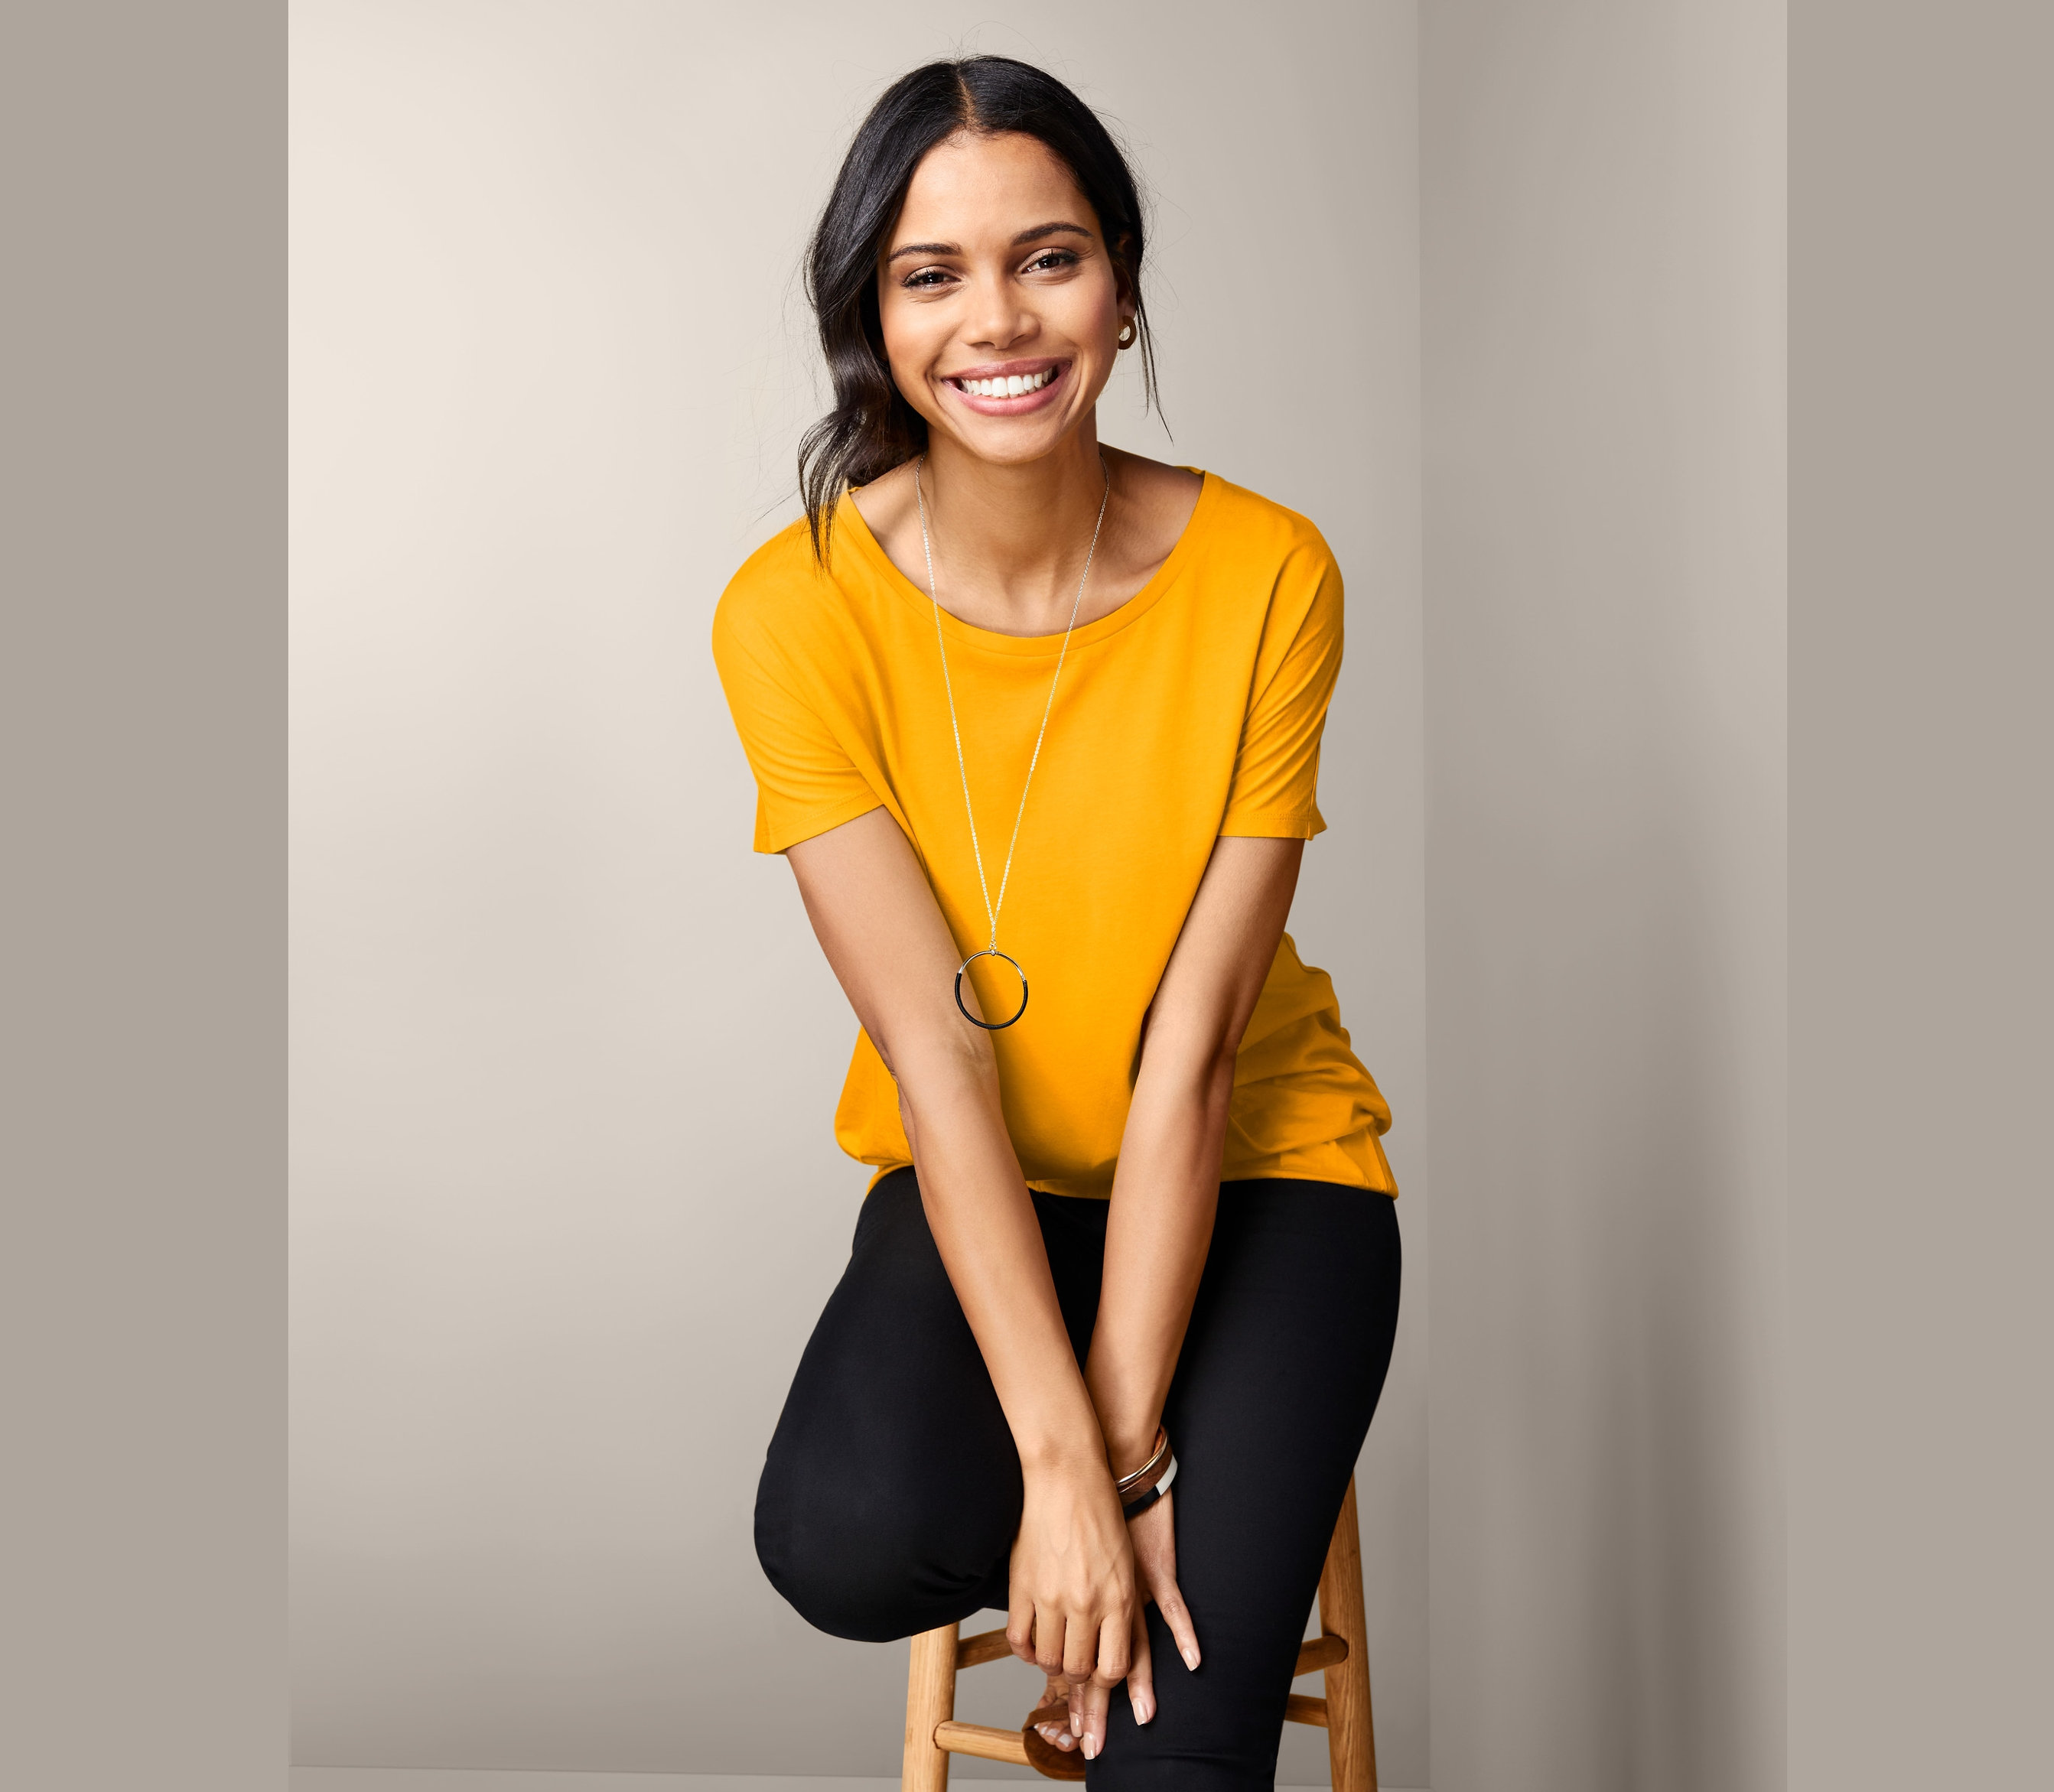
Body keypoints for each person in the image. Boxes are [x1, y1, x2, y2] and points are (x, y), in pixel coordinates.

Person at [712, 56, 1400, 1790]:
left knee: (1174, 1749)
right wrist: (1067, 1486)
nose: (997, 319)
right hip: (992, 1184)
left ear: (1122, 281)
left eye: (1050, 256)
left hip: (1258, 1178)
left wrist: (1128, 1468)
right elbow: (940, 1062)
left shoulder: (1268, 575)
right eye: (930, 273)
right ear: (870, 312)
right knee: (844, 1535)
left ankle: (1172, 1603)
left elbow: (1194, 1052)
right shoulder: (792, 610)